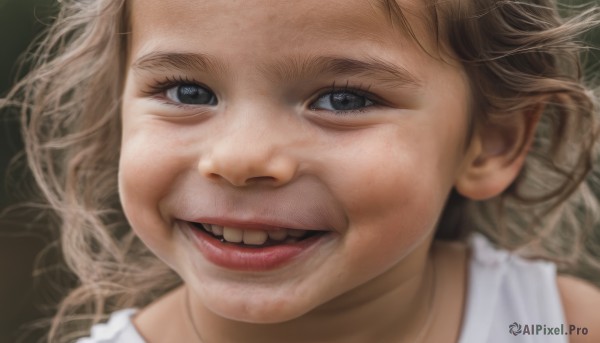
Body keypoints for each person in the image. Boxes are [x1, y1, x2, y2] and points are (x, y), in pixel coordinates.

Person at [3, 0, 600, 342]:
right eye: (187, 90)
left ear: (489, 143)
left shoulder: (559, 327)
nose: (240, 159)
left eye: (343, 100)